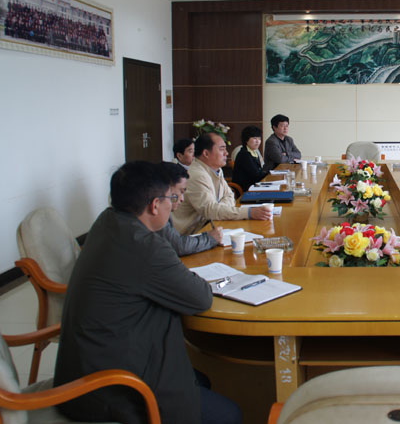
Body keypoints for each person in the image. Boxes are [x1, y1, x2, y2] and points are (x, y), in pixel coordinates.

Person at [54, 161, 242, 424]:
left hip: (85, 370)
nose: (174, 205)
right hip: (110, 391)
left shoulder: (108, 221)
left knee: (201, 380)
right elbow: (200, 297)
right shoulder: (146, 246)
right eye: (171, 198)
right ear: (155, 205)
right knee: (230, 415)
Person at [172, 133, 271, 234]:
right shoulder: (197, 174)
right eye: (222, 149)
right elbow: (210, 210)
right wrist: (249, 212)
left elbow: (229, 195)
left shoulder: (216, 169)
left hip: (211, 224)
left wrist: (219, 209)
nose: (226, 153)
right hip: (191, 233)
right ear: (206, 153)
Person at [159, 162, 223, 255]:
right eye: (181, 191)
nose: (182, 199)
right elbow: (179, 246)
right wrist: (210, 238)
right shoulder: (158, 211)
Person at [232, 125, 270, 191]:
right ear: (246, 140)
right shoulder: (244, 154)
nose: (258, 141)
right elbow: (256, 175)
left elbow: (259, 172)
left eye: (259, 139)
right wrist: (270, 173)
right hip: (246, 189)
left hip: (254, 185)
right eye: (255, 138)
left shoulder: (254, 152)